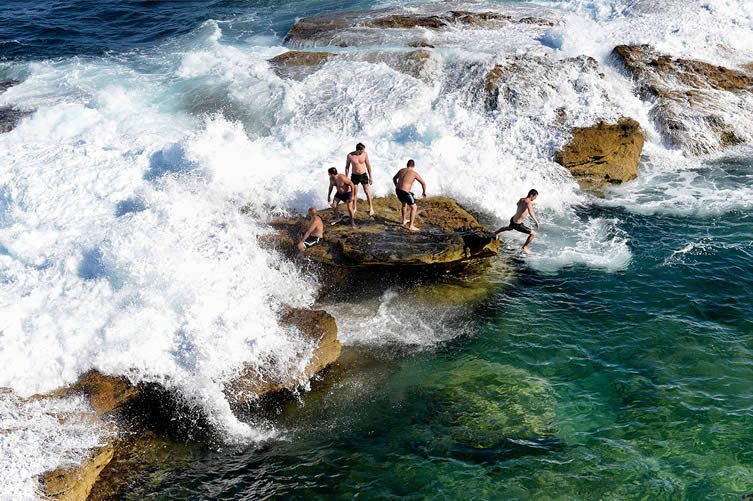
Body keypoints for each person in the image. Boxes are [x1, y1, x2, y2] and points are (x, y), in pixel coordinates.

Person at [495, 189, 540, 254]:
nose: (535, 198)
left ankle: (495, 233)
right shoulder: (529, 203)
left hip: (513, 219)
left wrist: (523, 209)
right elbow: (531, 212)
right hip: (518, 224)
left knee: (509, 228)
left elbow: (518, 204)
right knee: (533, 234)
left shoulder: (521, 199)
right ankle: (525, 247)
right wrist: (536, 222)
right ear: (531, 195)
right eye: (535, 197)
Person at [392, 159, 426, 232]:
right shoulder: (414, 173)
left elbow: (394, 178)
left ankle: (403, 220)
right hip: (405, 192)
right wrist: (424, 192)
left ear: (407, 164)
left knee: (404, 204)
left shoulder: (401, 170)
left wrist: (396, 185)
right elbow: (423, 183)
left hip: (398, 190)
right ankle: (411, 226)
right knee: (414, 208)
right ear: (413, 166)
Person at [345, 142, 375, 216]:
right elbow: (347, 167)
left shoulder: (365, 154)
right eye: (362, 150)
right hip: (354, 176)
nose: (363, 151)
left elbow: (368, 165)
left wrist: (370, 176)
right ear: (358, 150)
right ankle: (355, 208)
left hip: (363, 175)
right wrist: (346, 178)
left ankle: (371, 208)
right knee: (354, 192)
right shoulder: (350, 156)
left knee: (367, 191)